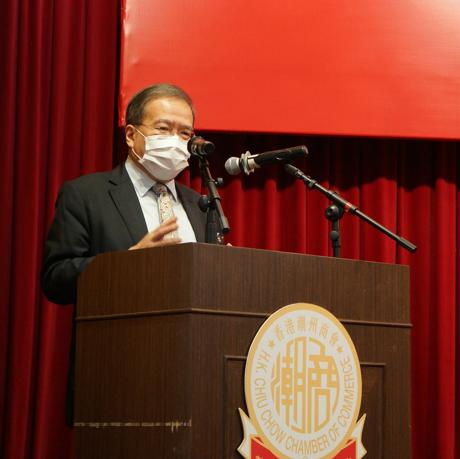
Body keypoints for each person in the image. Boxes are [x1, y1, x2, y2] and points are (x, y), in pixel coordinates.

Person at [41, 83, 206, 306]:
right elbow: (55, 280)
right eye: (163, 128)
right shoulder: (85, 195)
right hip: (119, 326)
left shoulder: (200, 204)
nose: (175, 140)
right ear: (130, 135)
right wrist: (127, 263)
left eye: (184, 133)